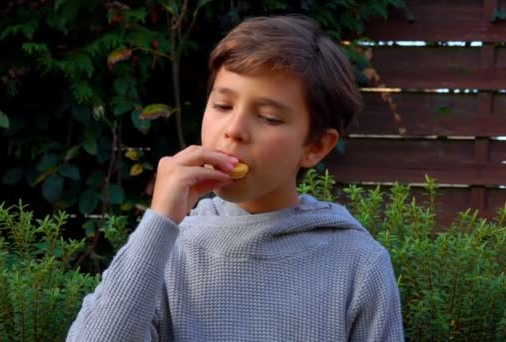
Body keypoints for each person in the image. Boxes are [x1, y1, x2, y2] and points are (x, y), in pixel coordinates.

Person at [67, 15, 404, 341]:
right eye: (223, 106)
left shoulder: (358, 263)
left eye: (269, 117)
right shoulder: (168, 249)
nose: (234, 131)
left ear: (315, 146)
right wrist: (159, 221)